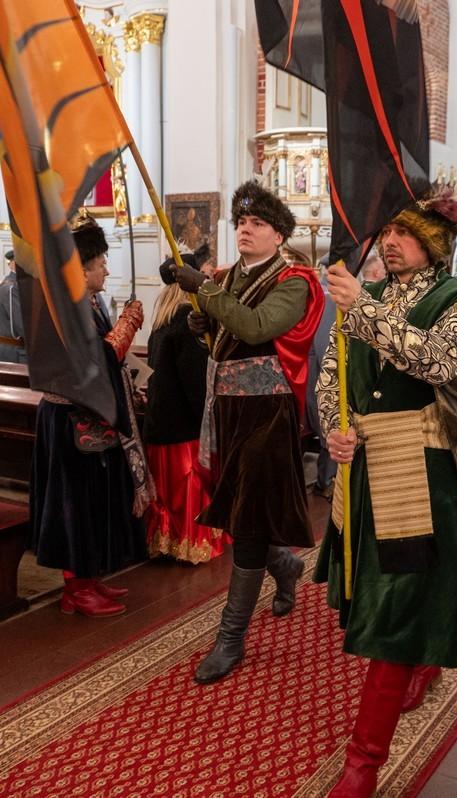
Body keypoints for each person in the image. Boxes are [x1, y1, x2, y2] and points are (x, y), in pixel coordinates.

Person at [315, 187, 457, 796]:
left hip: (422, 479)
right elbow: (332, 372)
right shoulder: (367, 295)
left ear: (435, 243)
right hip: (364, 468)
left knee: (397, 610)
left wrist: (363, 309)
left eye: (406, 234)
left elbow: (436, 362)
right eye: (389, 232)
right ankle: (421, 661)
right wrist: (334, 428)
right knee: (379, 596)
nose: (392, 243)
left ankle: (363, 764)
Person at [168, 180, 325, 684]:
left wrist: (203, 289)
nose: (245, 229)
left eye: (257, 223)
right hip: (227, 409)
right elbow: (227, 335)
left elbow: (257, 328)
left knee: (250, 519)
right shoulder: (228, 276)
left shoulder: (295, 280)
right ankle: (285, 565)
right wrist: (203, 329)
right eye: (241, 222)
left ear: (278, 235)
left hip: (267, 411)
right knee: (238, 508)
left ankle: (230, 639)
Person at [28, 217, 148, 617]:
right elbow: (93, 360)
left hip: (86, 417)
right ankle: (76, 588)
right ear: (80, 269)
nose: (106, 271)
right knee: (74, 504)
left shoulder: (85, 302)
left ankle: (89, 578)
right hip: (68, 421)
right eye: (101, 264)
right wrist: (128, 325)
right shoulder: (63, 305)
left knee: (92, 501)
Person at [143, 254, 225, 564]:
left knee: (166, 492)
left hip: (159, 422)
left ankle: (165, 542)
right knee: (188, 488)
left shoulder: (160, 321)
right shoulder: (187, 320)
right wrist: (209, 414)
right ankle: (191, 544)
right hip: (184, 427)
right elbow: (194, 379)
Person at [308, 257, 338, 499]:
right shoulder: (329, 297)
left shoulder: (318, 293)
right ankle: (326, 481)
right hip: (323, 374)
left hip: (312, 372)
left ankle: (325, 480)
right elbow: (325, 348)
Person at [0, 249, 28, 363]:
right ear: (14, 264)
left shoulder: (16, 284)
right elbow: (23, 326)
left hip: (13, 350)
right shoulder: (12, 288)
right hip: (11, 353)